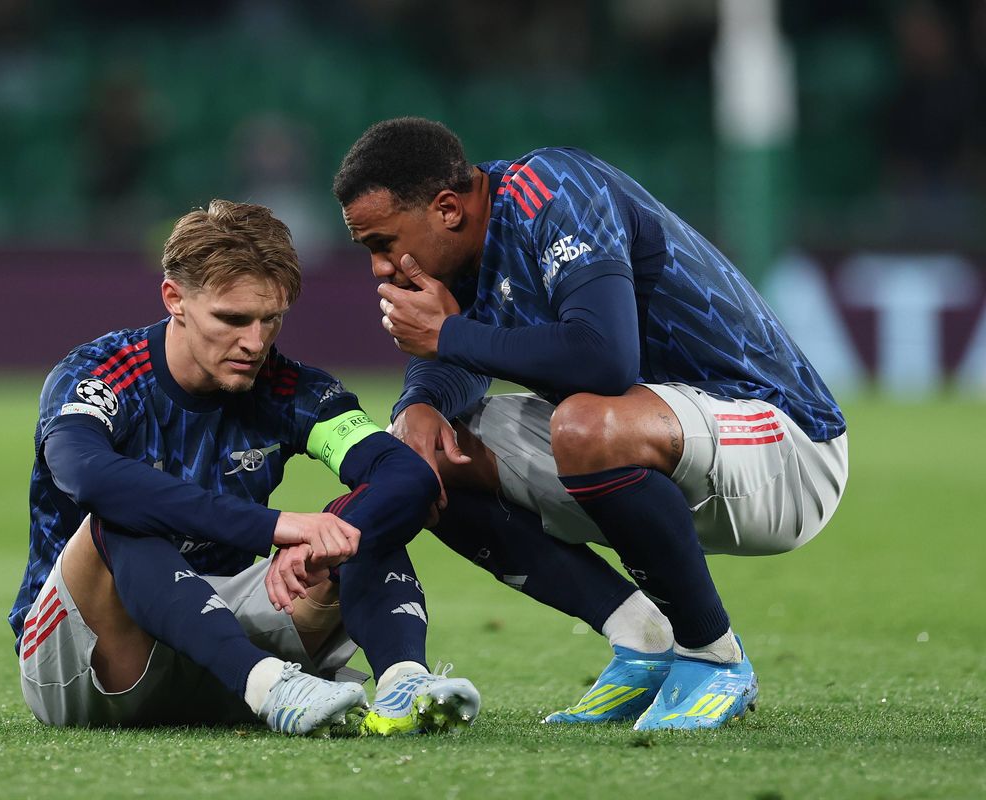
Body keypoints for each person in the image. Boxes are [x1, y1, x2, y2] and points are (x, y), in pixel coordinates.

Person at [333, 118, 848, 731]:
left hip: (782, 446)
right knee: (423, 457)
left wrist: (447, 334)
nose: (379, 269)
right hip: (658, 443)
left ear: (447, 209)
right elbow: (470, 358)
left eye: (382, 243)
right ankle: (644, 640)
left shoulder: (555, 191)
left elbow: (603, 358)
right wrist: (417, 406)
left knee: (584, 424)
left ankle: (713, 656)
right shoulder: (463, 249)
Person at [8, 199, 480, 736]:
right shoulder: (101, 375)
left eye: (270, 319)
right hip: (91, 662)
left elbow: (405, 476)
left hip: (219, 641)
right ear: (175, 299)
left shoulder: (290, 388)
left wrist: (325, 537)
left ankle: (402, 682)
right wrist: (275, 527)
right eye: (232, 319)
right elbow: (88, 475)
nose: (254, 343)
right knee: (119, 515)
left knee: (357, 526)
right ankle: (269, 687)